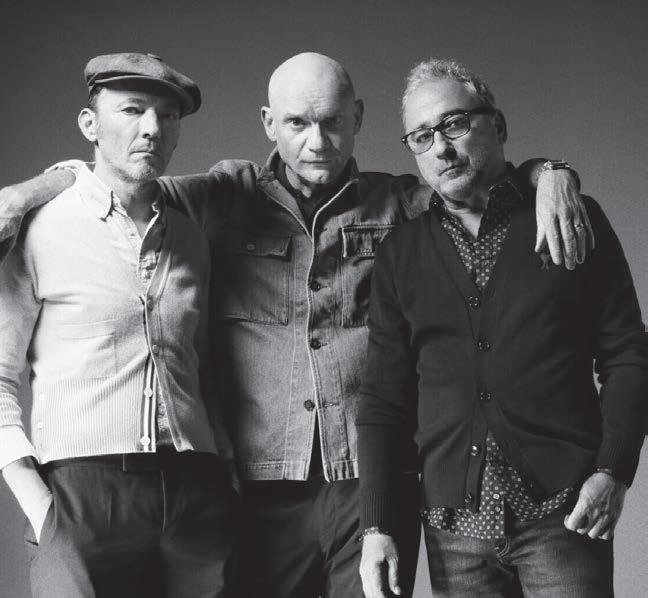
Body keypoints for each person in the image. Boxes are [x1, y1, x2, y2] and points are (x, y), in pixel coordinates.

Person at [0, 52, 589, 598]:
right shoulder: (222, 196)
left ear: (357, 118)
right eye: (297, 123)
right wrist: (27, 192)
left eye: (332, 122)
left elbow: (472, 180)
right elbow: (116, 179)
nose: (316, 142)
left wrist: (550, 172)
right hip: (258, 492)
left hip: (369, 486)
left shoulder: (399, 203)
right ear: (268, 123)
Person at [356, 58, 648, 598]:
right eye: (421, 137)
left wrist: (614, 470)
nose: (440, 148)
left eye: (454, 124)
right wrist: (375, 527)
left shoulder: (571, 217)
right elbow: (381, 400)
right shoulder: (401, 253)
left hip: (564, 514)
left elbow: (629, 353)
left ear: (498, 125)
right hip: (453, 527)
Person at [0, 53, 236, 598]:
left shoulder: (191, 238)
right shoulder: (39, 229)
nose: (152, 128)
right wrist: (39, 504)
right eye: (132, 110)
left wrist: (222, 478)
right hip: (81, 493)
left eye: (167, 116)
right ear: (90, 125)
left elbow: (202, 370)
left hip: (196, 492)